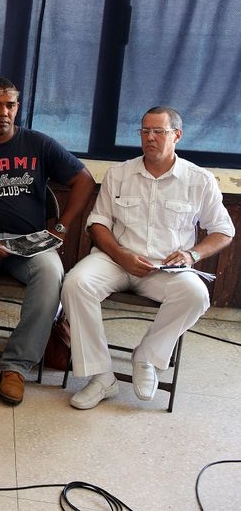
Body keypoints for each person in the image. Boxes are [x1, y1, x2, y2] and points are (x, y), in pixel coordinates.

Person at [62, 106, 234, 410]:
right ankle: (101, 376)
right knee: (76, 283)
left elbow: (223, 231)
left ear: (177, 135)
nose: (149, 138)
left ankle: (147, 358)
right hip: (115, 258)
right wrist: (121, 255)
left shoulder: (198, 180)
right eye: (145, 131)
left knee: (196, 294)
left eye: (158, 131)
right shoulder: (120, 173)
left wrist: (193, 254)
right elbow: (97, 223)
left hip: (164, 269)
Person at [0, 77, 95, 406]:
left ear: (17, 108)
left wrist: (62, 226)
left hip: (29, 243)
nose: (4, 112)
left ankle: (16, 366)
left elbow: (84, 180)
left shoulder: (39, 144)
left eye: (10, 105)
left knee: (51, 274)